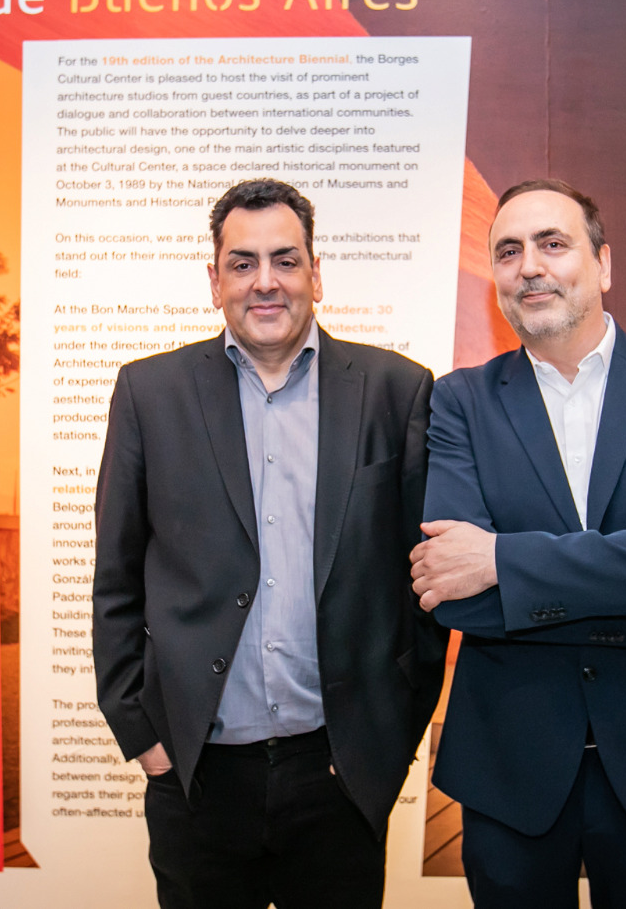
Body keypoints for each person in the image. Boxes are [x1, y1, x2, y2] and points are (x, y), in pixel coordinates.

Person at [91, 178, 447, 908]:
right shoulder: (148, 393)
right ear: (214, 279)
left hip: (337, 776)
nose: (266, 282)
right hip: (198, 777)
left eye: (285, 260)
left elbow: (424, 582)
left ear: (317, 273)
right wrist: (145, 736)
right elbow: (116, 580)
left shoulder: (396, 389)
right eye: (243, 262)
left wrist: (389, 740)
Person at [411, 179, 626, 908]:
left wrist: (502, 559)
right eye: (508, 251)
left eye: (553, 244)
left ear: (603, 265)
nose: (529, 266)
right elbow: (453, 599)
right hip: (512, 766)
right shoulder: (458, 401)